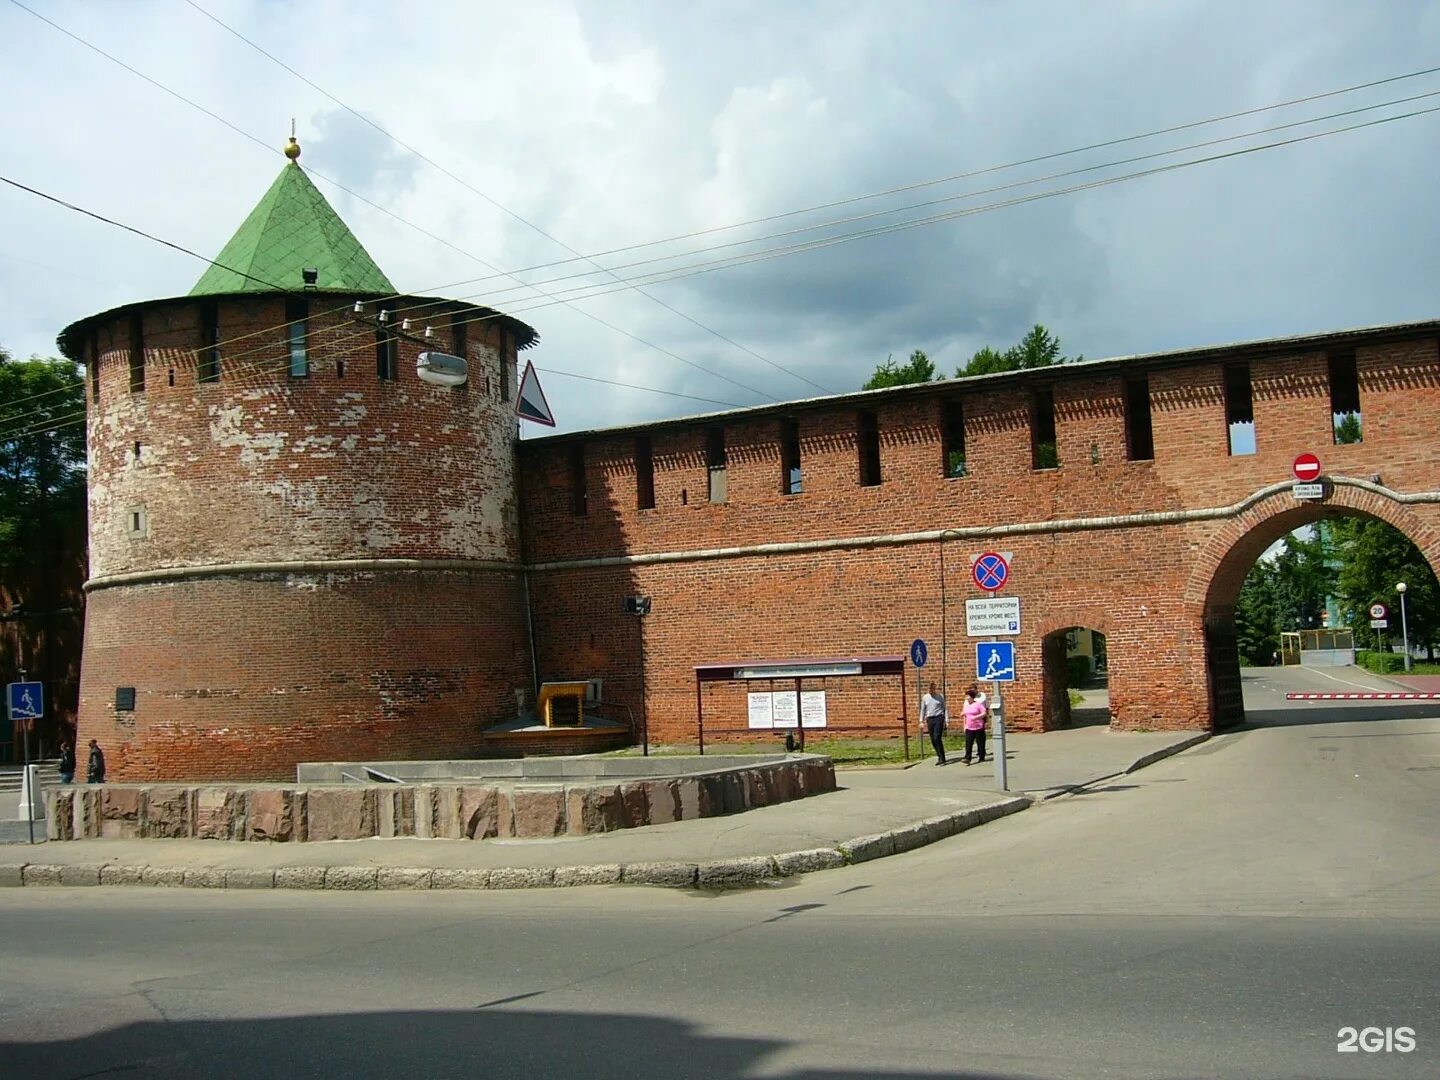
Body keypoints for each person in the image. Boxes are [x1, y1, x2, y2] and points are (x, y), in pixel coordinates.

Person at [919, 682, 947, 765]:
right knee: (933, 739)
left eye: (933, 689)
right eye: (930, 689)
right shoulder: (925, 698)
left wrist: (946, 720)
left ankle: (942, 758)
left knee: (937, 737)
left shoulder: (940, 697)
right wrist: (921, 721)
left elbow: (945, 708)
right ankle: (939, 756)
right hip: (930, 719)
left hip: (939, 717)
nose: (931, 691)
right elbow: (923, 710)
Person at [961, 689, 988, 765]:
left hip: (978, 727)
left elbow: (984, 713)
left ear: (972, 697)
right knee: (968, 743)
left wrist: (976, 717)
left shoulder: (978, 704)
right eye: (966, 696)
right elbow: (965, 715)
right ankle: (967, 758)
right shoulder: (966, 705)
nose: (966, 698)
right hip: (969, 727)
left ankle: (981, 756)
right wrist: (964, 725)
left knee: (980, 743)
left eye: (967, 696)